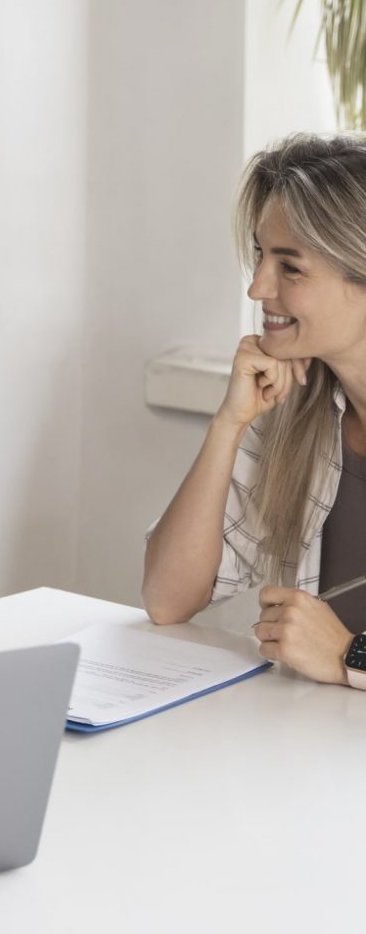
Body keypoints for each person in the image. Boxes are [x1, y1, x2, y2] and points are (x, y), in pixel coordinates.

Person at [142, 132, 366, 687]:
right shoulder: (299, 413)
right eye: (262, 256)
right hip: (309, 746)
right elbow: (168, 599)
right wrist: (229, 423)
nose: (258, 288)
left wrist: (349, 655)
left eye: (290, 268)